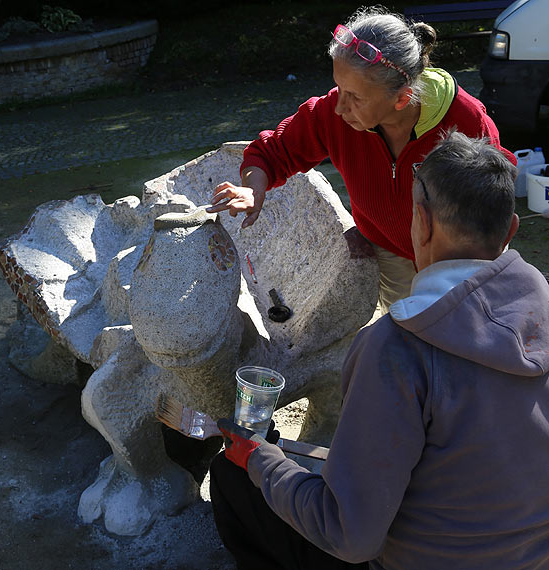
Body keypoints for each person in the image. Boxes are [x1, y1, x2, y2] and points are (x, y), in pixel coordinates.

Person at [209, 131, 549, 570]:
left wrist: (261, 460)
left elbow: (350, 534)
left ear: (421, 223)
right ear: (512, 230)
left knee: (234, 480)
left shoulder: (396, 347)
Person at [207, 6, 516, 313]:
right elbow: (270, 153)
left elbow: (494, 202)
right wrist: (253, 188)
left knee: (466, 340)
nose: (340, 107)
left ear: (402, 98)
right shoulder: (334, 114)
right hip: (393, 258)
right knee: (411, 341)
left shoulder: (465, 120)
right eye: (339, 87)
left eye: (355, 97)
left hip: (461, 262)